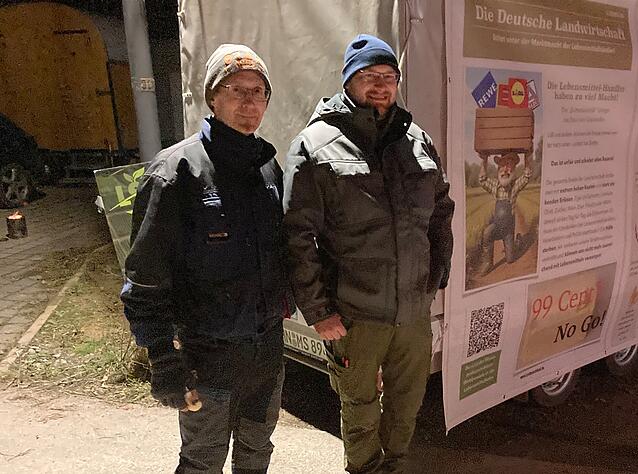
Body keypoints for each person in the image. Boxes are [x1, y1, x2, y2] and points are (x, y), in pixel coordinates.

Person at [282, 34, 455, 473]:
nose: (380, 85)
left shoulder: (416, 140)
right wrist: (318, 311)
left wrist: (435, 278)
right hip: (354, 316)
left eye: (388, 77)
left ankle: (394, 466)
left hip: (412, 315)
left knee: (406, 407)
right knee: (359, 412)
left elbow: (442, 211)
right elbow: (298, 236)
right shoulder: (316, 145)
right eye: (368, 76)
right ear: (348, 81)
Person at [120, 44, 292, 474]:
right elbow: (144, 278)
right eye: (237, 90)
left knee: (257, 453)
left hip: (265, 356)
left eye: (259, 92)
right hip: (206, 357)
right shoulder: (176, 171)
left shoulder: (269, 170)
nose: (250, 102)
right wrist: (162, 357)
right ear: (213, 97)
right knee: (202, 461)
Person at [477, 151, 533, 274]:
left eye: (509, 166)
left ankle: (517, 242)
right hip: (497, 226)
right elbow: (482, 180)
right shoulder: (495, 186)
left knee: (510, 259)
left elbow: (527, 176)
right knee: (487, 233)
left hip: (508, 230)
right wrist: (484, 161)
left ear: (513, 170)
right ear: (498, 169)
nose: (505, 170)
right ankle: (487, 263)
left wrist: (527, 158)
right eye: (502, 166)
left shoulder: (514, 187)